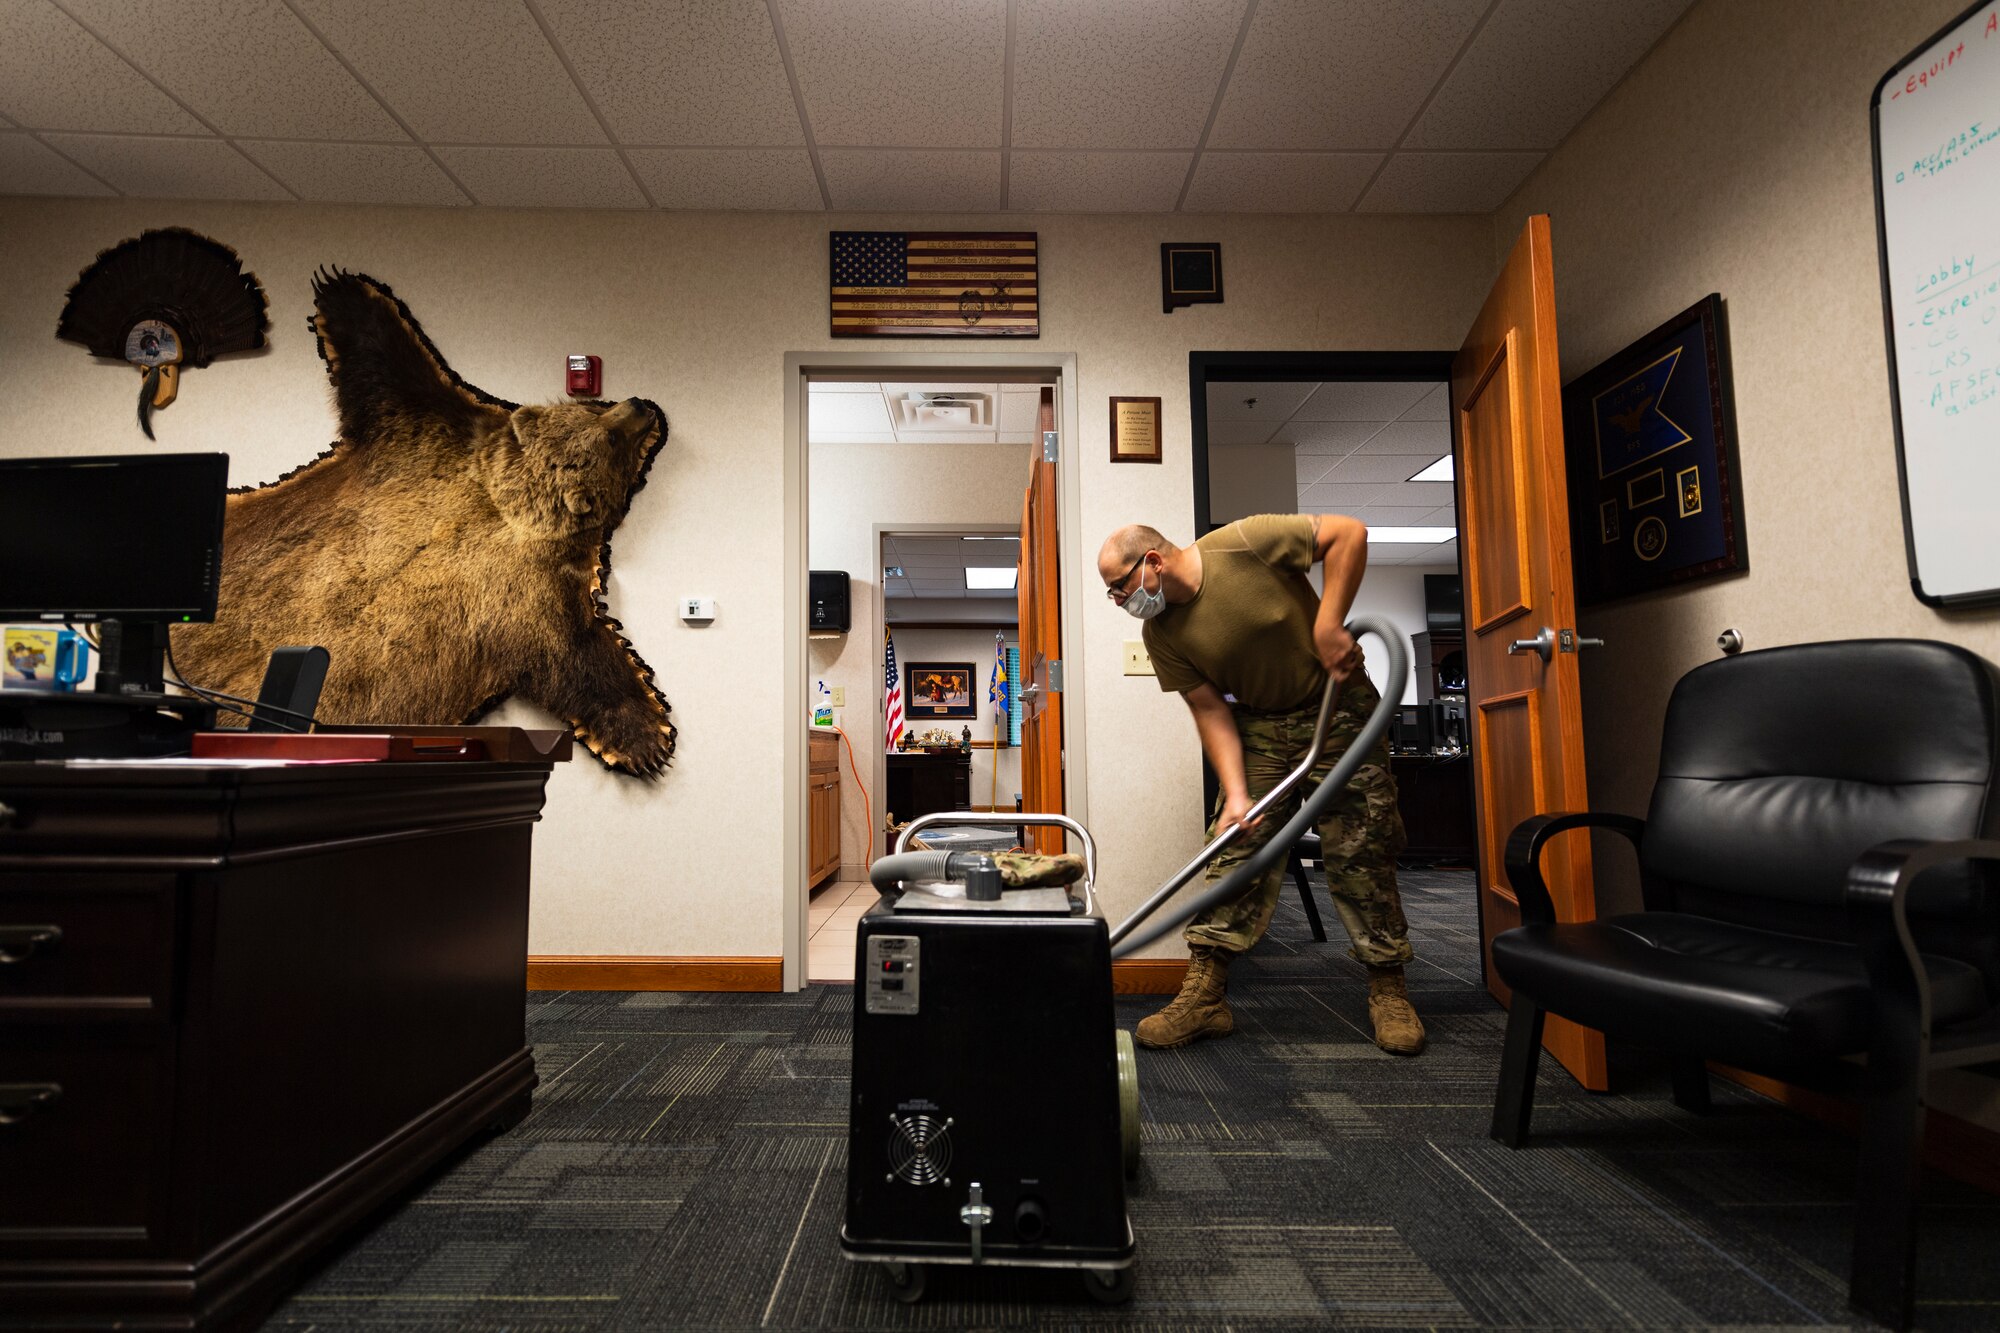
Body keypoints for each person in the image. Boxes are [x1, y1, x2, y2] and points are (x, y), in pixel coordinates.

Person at [1098, 514, 1425, 1056]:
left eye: (1119, 586)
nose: (1117, 601)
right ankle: (1205, 997)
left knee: (1361, 846)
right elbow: (1208, 711)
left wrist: (1329, 621)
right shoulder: (1160, 633)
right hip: (1260, 729)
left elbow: (1351, 533)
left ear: (1152, 562)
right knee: (1234, 849)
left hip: (1337, 707)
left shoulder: (1244, 542)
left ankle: (1388, 987)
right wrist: (1239, 794)